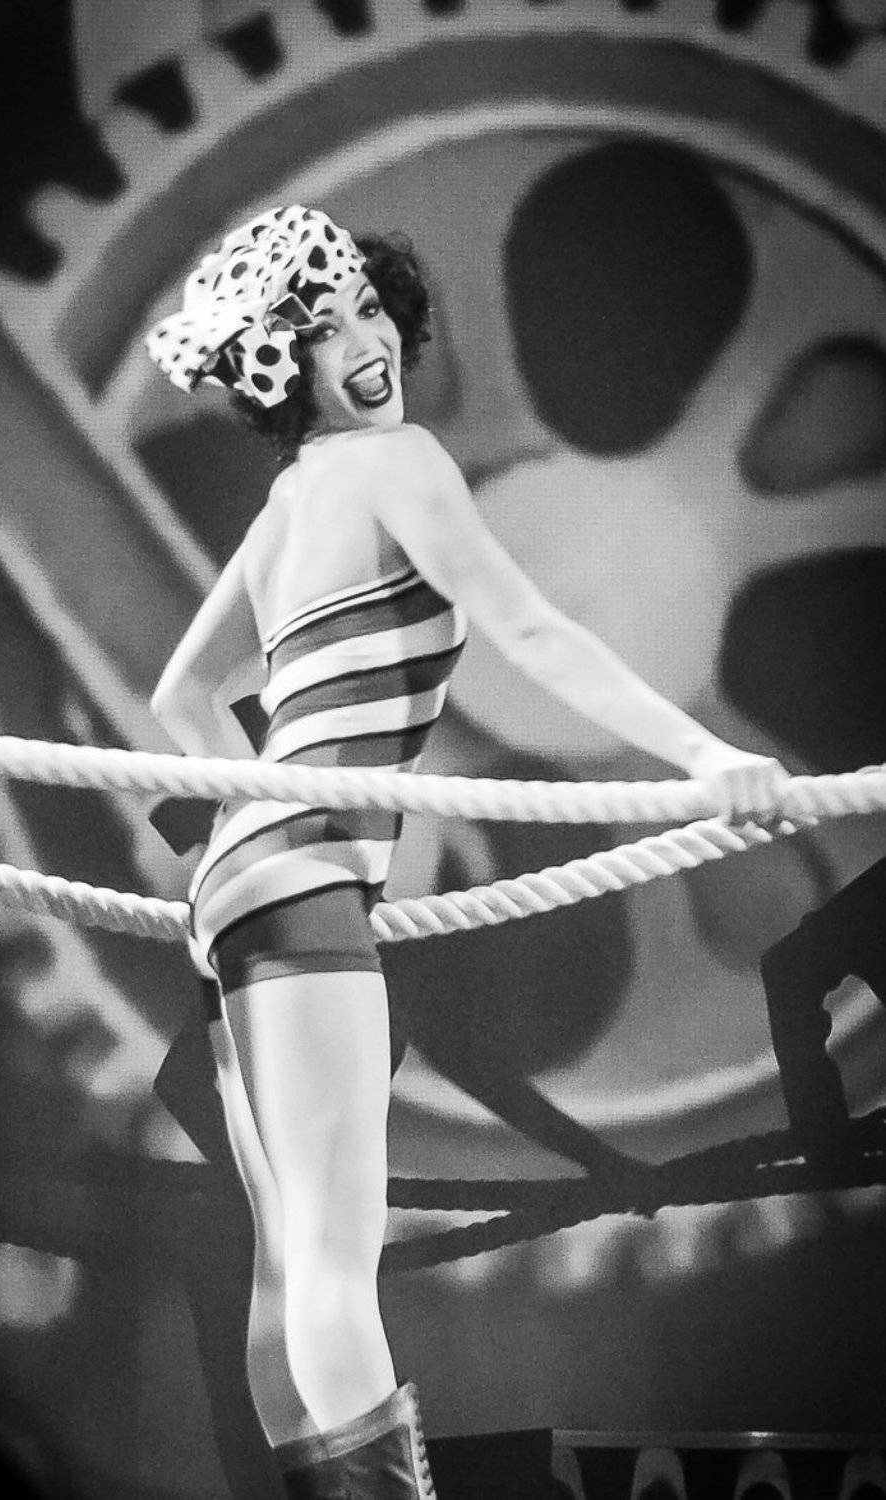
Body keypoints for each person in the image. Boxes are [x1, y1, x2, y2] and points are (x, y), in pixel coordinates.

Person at [145, 204, 791, 1499]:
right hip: (301, 878)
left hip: (243, 880)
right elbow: (530, 633)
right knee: (336, 1262)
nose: (366, 343)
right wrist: (703, 757)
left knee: (290, 1266)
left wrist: (262, 824)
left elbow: (183, 700)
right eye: (324, 330)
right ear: (283, 368)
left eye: (369, 310)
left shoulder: (287, 503)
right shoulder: (399, 464)